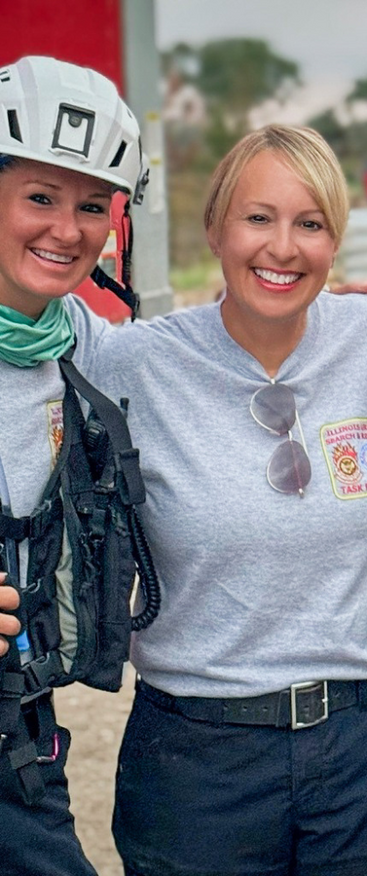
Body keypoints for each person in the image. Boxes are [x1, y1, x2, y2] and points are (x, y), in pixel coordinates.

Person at [62, 123, 367, 876]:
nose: (283, 248)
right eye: (258, 218)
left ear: (336, 241)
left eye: (311, 224)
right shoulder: (134, 359)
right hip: (200, 765)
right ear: (215, 228)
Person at [0, 55, 155, 876]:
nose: (66, 230)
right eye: (39, 197)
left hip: (22, 733)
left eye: (92, 205)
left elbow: (223, 350)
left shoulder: (82, 346)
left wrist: (352, 316)